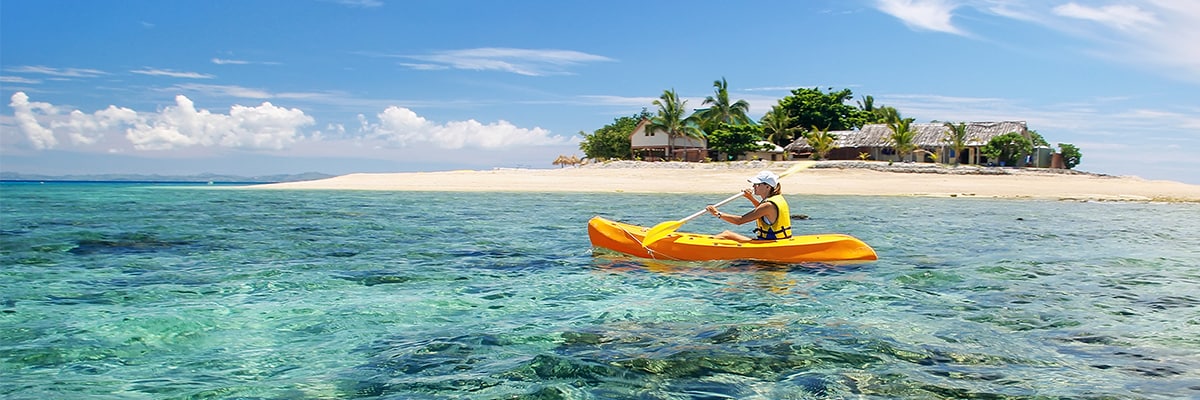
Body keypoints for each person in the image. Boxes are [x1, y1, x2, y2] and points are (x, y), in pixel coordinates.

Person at [705, 170, 792, 241]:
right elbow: (762, 211)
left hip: (770, 243)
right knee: (726, 234)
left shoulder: (768, 205)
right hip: (778, 239)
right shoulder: (776, 198)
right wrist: (750, 198)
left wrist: (717, 213)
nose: (753, 186)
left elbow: (740, 221)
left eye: (757, 184)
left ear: (767, 187)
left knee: (726, 234)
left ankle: (705, 246)